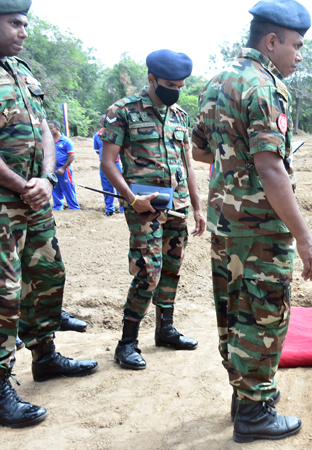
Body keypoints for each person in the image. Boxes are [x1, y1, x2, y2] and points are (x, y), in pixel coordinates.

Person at [192, 0, 312, 442]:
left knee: (233, 312)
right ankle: (254, 415)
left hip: (225, 223)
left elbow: (201, 151)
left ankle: (244, 395)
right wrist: (304, 237)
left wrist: (234, 160)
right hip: (260, 229)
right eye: (296, 46)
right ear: (272, 41)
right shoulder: (265, 86)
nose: (298, 55)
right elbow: (270, 168)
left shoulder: (217, 79)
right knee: (264, 316)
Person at [0, 0, 98, 428]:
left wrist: (47, 179)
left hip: (35, 198)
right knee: (0, 295)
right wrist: (20, 184)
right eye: (15, 23)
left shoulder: (21, 71)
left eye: (26, 23)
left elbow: (47, 130)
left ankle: (45, 357)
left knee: (47, 276)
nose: (24, 31)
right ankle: (0, 393)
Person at [99, 49, 206, 371]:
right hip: (143, 208)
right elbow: (107, 162)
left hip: (178, 207)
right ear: (151, 79)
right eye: (169, 84)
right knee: (148, 272)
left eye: (180, 85)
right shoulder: (123, 112)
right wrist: (132, 199)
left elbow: (188, 165)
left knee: (172, 268)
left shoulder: (180, 117)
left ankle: (165, 330)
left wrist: (199, 207)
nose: (175, 90)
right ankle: (127, 343)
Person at [93, 115, 124, 216]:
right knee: (107, 187)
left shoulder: (117, 133)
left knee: (120, 186)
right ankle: (109, 209)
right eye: (104, 122)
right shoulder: (97, 135)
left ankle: (123, 208)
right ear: (101, 123)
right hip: (104, 165)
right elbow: (98, 151)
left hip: (116, 164)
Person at [48, 120, 80, 210]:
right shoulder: (49, 141)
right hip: (53, 169)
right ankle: (58, 207)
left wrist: (63, 168)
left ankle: (74, 208)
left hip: (64, 170)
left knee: (68, 188)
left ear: (57, 129)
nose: (48, 130)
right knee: (55, 188)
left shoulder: (66, 141)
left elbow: (72, 156)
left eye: (50, 128)